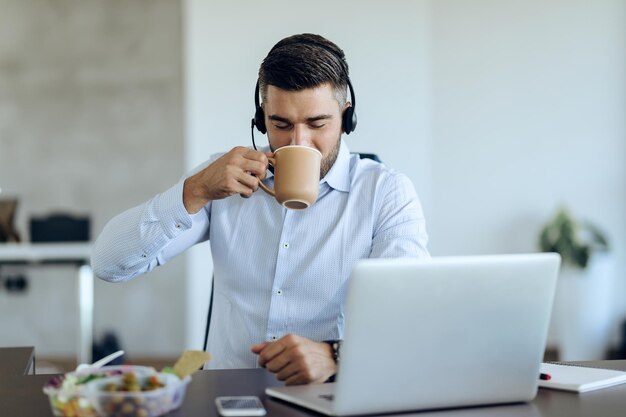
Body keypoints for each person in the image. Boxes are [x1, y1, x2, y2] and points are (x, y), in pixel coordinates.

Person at [92, 33, 429, 385]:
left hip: (329, 397)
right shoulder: (217, 180)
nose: (299, 142)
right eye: (280, 124)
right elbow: (108, 264)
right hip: (227, 396)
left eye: (317, 124)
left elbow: (407, 314)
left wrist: (334, 355)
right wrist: (193, 191)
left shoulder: (386, 192)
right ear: (260, 118)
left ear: (346, 117)